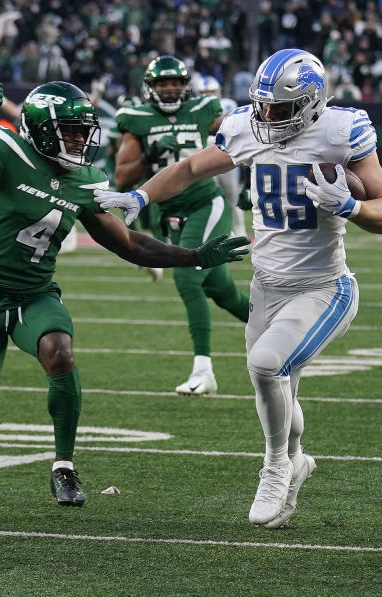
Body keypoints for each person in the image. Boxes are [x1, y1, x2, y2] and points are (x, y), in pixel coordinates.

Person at [95, 49, 382, 528]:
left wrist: (348, 206)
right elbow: (191, 168)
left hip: (324, 288)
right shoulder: (245, 126)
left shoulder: (342, 131)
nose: (266, 116)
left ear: (312, 103)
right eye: (260, 105)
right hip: (266, 286)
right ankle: (297, 458)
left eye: (278, 108)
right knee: (276, 388)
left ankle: (275, 466)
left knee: (265, 366)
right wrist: (141, 194)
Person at [0, 81, 249, 523]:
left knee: (60, 351)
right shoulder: (5, 148)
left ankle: (63, 465)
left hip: (36, 295)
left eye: (85, 131)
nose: (82, 141)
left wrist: (194, 256)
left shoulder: (84, 180)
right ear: (42, 130)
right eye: (72, 131)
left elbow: (130, 244)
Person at [114, 56, 250, 396]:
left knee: (187, 275)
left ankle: (203, 370)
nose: (170, 88)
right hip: (170, 213)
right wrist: (148, 157)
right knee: (221, 290)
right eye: (163, 83)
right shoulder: (138, 120)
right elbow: (122, 176)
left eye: (175, 82)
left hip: (205, 202)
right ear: (151, 88)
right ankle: (281, 328)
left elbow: (242, 140)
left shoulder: (204, 109)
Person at [193, 74, 249, 239]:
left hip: (225, 155)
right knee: (210, 197)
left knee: (232, 197)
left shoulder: (226, 105)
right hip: (203, 157)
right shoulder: (194, 109)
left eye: (211, 92)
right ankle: (219, 232)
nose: (207, 95)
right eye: (204, 92)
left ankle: (240, 232)